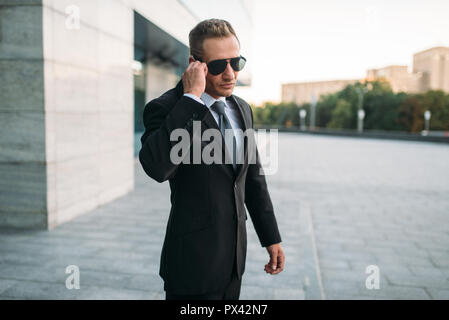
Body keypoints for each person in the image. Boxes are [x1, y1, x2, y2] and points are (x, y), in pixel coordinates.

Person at [139, 18, 284, 300]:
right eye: (218, 66)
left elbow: (252, 178)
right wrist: (191, 98)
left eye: (236, 62)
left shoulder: (241, 108)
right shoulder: (165, 108)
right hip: (192, 265)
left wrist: (271, 237)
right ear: (195, 63)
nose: (230, 74)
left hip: (233, 263)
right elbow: (157, 167)